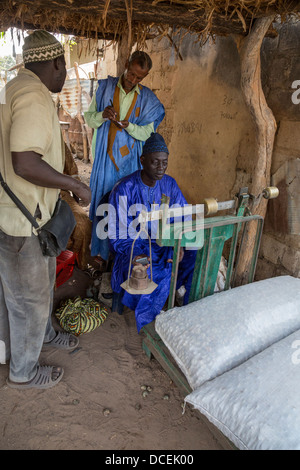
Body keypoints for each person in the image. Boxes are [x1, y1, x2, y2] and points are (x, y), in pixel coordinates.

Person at [0, 30, 91, 389]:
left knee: (25, 293)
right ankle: (24, 370)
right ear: (56, 63)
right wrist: (74, 184)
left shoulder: (14, 88)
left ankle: (46, 335)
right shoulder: (35, 97)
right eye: (64, 67)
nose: (65, 74)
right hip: (25, 224)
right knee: (28, 302)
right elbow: (24, 162)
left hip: (19, 216)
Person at [107, 133, 197, 332]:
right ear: (142, 160)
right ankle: (150, 319)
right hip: (134, 247)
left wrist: (180, 243)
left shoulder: (169, 184)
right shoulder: (125, 189)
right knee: (149, 268)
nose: (160, 167)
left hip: (164, 242)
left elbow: (183, 215)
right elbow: (118, 230)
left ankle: (183, 300)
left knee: (193, 253)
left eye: (164, 162)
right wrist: (136, 254)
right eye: (155, 162)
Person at [84, 51, 165, 259]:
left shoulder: (146, 98)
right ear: (127, 65)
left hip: (130, 162)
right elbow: (89, 120)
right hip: (105, 160)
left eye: (140, 78)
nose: (133, 80)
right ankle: (101, 254)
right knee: (104, 202)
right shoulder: (105, 88)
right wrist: (102, 115)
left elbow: (148, 132)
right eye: (131, 74)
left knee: (127, 207)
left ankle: (123, 255)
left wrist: (129, 127)